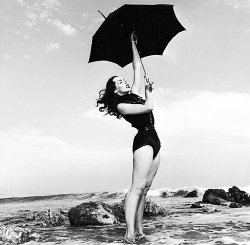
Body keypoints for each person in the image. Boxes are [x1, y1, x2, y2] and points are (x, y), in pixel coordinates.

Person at [97, 32, 161, 243]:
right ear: (114, 89)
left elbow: (136, 68)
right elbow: (148, 106)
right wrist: (150, 92)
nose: (124, 81)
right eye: (119, 81)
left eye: (123, 79)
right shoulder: (121, 105)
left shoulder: (133, 92)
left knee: (145, 190)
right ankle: (128, 234)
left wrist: (133, 44)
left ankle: (140, 231)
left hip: (155, 138)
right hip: (143, 141)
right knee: (135, 188)